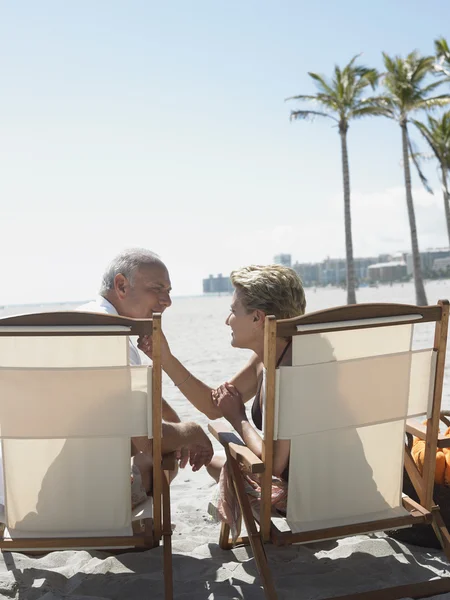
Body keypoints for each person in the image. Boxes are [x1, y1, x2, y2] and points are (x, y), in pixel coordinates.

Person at [137, 264, 306, 485]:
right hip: (351, 490)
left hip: (304, 497)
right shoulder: (287, 356)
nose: (228, 320)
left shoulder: (289, 375)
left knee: (225, 470)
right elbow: (215, 406)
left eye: (234, 311)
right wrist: (166, 359)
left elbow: (274, 464)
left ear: (258, 318)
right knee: (216, 465)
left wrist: (238, 418)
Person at [77, 248, 213, 494]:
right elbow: (147, 439)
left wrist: (176, 426)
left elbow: (126, 398)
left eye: (169, 291)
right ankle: (148, 529)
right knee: (157, 460)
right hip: (87, 505)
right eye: (157, 288)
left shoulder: (75, 324)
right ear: (121, 286)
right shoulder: (112, 335)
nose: (167, 301)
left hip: (20, 501)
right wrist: (192, 432)